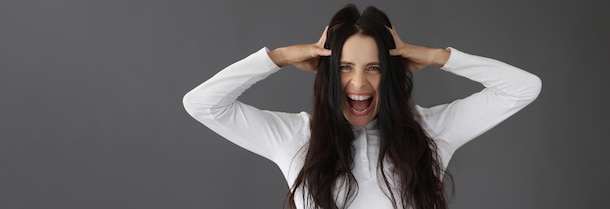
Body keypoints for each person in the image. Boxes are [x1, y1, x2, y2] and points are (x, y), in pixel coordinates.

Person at [182, 4, 541, 209]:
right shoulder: (295, 137)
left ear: (390, 73)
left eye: (374, 68)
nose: (358, 84)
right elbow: (202, 104)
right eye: (344, 68)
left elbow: (523, 89)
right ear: (327, 73)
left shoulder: (430, 131)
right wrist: (278, 57)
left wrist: (437, 57)